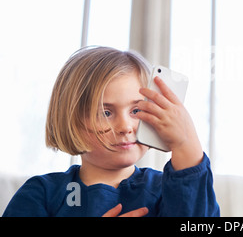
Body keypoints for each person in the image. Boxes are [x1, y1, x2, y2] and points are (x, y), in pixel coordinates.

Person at [3, 46, 220, 217]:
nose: (125, 127)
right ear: (71, 117)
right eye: (105, 112)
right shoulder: (42, 194)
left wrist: (185, 144)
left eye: (136, 110)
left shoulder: (165, 190)